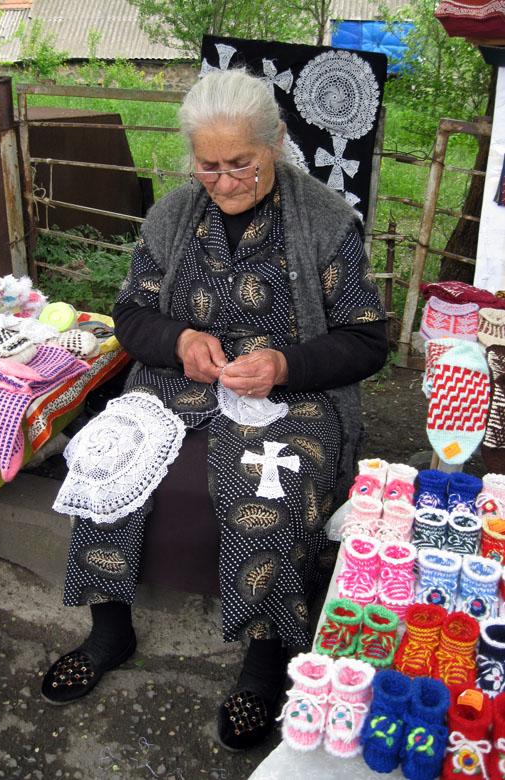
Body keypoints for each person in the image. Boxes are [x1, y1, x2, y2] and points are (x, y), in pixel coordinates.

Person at [40, 68, 387, 751]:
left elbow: (366, 338)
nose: (225, 183)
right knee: (105, 450)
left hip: (293, 394)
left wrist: (287, 362)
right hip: (178, 382)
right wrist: (178, 339)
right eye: (208, 167)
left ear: (276, 144)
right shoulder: (171, 218)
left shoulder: (322, 221)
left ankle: (264, 662)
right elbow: (131, 313)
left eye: (241, 165)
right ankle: (110, 628)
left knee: (271, 486)